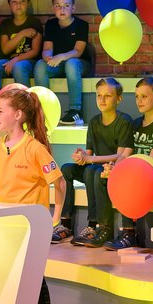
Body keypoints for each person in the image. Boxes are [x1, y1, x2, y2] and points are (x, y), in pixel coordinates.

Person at [0, 87, 66, 304]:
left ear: (18, 115)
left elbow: (60, 183)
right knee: (8, 280)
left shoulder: (35, 149)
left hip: (31, 226)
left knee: (34, 280)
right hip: (4, 225)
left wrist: (55, 218)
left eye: (0, 111)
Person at [53, 78, 132, 248]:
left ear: (118, 99)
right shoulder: (95, 122)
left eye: (107, 96)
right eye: (99, 96)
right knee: (66, 169)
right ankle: (65, 224)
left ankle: (98, 226)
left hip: (112, 171)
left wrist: (91, 160)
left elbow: (120, 156)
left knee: (92, 171)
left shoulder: (124, 121)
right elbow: (89, 154)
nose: (102, 100)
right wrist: (81, 156)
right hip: (95, 169)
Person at [104, 77, 153, 251]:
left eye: (144, 96)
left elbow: (151, 162)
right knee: (106, 177)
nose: (139, 101)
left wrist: (125, 174)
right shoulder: (136, 123)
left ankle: (130, 234)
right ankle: (102, 227)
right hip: (139, 171)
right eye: (137, 96)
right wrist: (114, 169)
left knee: (128, 182)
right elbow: (126, 153)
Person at [0, 0, 42, 125]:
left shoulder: (34, 22)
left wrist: (16, 59)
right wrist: (22, 34)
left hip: (28, 61)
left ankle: (26, 110)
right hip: (8, 60)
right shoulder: (6, 24)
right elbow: (5, 49)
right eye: (14, 2)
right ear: (9, 4)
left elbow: (35, 51)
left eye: (22, 1)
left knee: (19, 67)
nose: (18, 5)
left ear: (28, 3)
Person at [34, 0, 93, 126]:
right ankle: (43, 109)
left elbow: (78, 51)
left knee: (71, 63)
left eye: (66, 5)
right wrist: (48, 58)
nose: (62, 9)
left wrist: (61, 56)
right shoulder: (51, 24)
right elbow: (47, 49)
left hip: (79, 64)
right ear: (53, 8)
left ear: (73, 8)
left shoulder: (81, 25)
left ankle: (75, 110)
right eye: (58, 6)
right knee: (40, 65)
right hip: (59, 64)